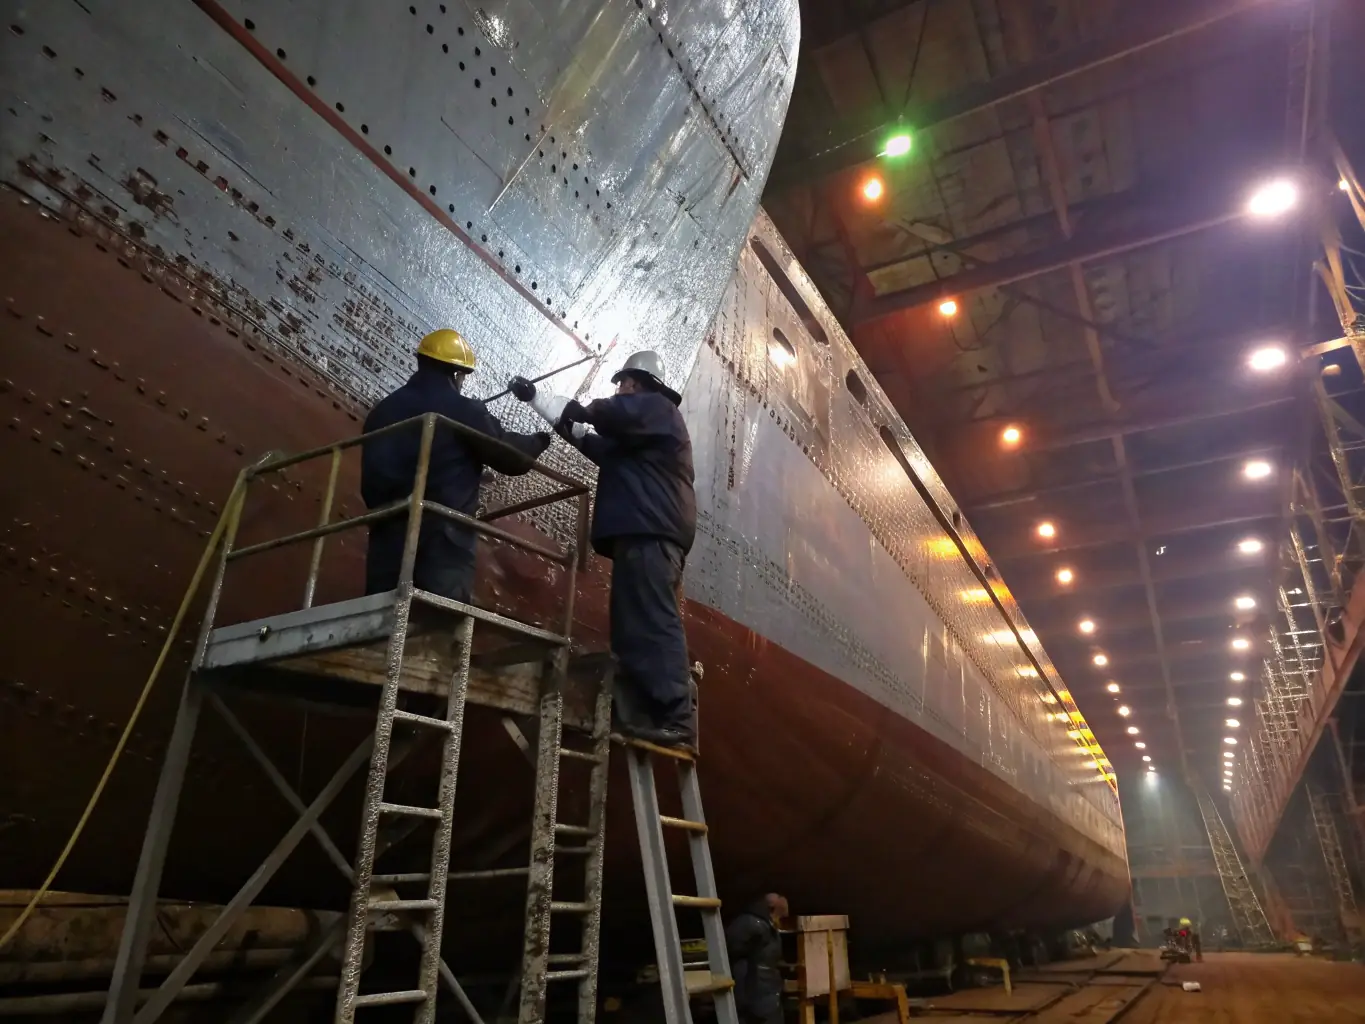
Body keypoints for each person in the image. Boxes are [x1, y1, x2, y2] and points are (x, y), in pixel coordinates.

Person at [509, 350, 696, 749]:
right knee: (631, 625)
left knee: (653, 622)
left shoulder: (659, 411)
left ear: (641, 384)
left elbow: (608, 414)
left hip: (651, 533)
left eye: (625, 381)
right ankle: (640, 715)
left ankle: (676, 719)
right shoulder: (636, 442)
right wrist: (536, 399)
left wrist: (584, 407)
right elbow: (585, 437)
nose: (620, 387)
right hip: (639, 533)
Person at [361, 328, 550, 602]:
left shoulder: (381, 412)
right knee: (434, 626)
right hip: (441, 548)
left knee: (381, 624)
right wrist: (540, 440)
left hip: (385, 543)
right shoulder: (463, 410)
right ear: (457, 374)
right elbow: (511, 456)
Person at [726, 894, 788, 1024]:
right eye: (780, 915)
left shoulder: (760, 924)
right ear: (772, 909)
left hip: (761, 988)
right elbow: (736, 950)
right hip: (758, 991)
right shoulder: (755, 925)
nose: (780, 921)